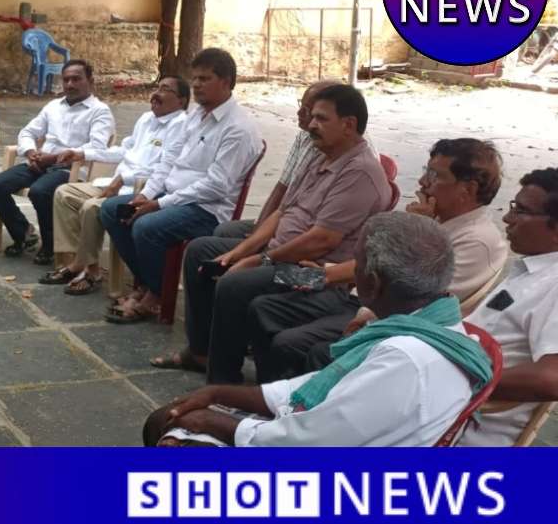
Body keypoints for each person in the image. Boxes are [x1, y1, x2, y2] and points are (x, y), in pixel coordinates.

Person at [142, 212, 491, 447]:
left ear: (371, 282)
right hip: (327, 439)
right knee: (173, 420)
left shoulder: (405, 358)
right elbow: (316, 387)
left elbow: (301, 444)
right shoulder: (434, 326)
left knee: (168, 429)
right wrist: (219, 393)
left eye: (356, 264)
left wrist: (208, 421)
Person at [150, 83, 391, 383]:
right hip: (282, 254)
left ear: (349, 125)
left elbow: (322, 240)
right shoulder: (321, 156)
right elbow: (282, 212)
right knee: (202, 251)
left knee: (235, 284)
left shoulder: (359, 172)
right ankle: (201, 352)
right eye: (312, 116)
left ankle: (223, 379)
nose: (311, 125)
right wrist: (242, 251)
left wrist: (262, 259)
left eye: (321, 118)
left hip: (314, 272)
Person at [279, 139, 509, 380]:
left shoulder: (476, 241)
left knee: (291, 341)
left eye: (435, 176)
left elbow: (415, 298)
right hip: (362, 297)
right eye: (426, 171)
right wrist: (328, 273)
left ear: (468, 190)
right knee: (269, 302)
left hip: (384, 319)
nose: (423, 182)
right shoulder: (442, 218)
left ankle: (288, 399)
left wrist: (417, 231)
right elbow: (378, 261)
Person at [100, 48, 263, 322]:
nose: (196, 85)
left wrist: (159, 204)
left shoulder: (238, 129)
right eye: (194, 78)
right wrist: (147, 194)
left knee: (146, 226)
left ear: (226, 82)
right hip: (173, 196)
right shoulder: (196, 115)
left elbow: (216, 186)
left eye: (205, 79)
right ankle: (148, 283)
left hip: (207, 209)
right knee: (113, 210)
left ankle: (156, 295)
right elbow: (169, 158)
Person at [40, 76, 188, 295]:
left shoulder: (181, 126)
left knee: (91, 207)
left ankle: (90, 272)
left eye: (165, 90)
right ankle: (82, 263)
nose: (156, 94)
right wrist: (82, 153)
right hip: (115, 184)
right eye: (157, 88)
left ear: (181, 101)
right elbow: (123, 151)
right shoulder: (147, 119)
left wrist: (123, 179)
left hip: (142, 191)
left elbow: (164, 171)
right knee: (64, 193)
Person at [458, 168, 558, 446]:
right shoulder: (532, 272)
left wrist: (457, 379)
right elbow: (476, 320)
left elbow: (551, 378)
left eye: (521, 211)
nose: (507, 218)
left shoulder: (554, 285)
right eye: (513, 206)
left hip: (461, 434)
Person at [0, 59, 115, 265]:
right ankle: (24, 233)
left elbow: (97, 148)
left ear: (90, 81)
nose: (70, 84)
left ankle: (50, 245)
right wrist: (31, 153)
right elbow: (28, 132)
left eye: (76, 79)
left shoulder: (99, 111)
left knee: (40, 191)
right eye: (66, 80)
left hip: (71, 169)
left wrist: (57, 157)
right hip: (41, 163)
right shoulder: (53, 106)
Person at [213, 80, 340, 239]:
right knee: (224, 231)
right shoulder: (304, 137)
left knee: (202, 247)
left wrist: (257, 243)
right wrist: (259, 229)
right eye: (300, 105)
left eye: (308, 110)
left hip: (296, 229)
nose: (299, 113)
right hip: (284, 219)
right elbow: (282, 187)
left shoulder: (336, 151)